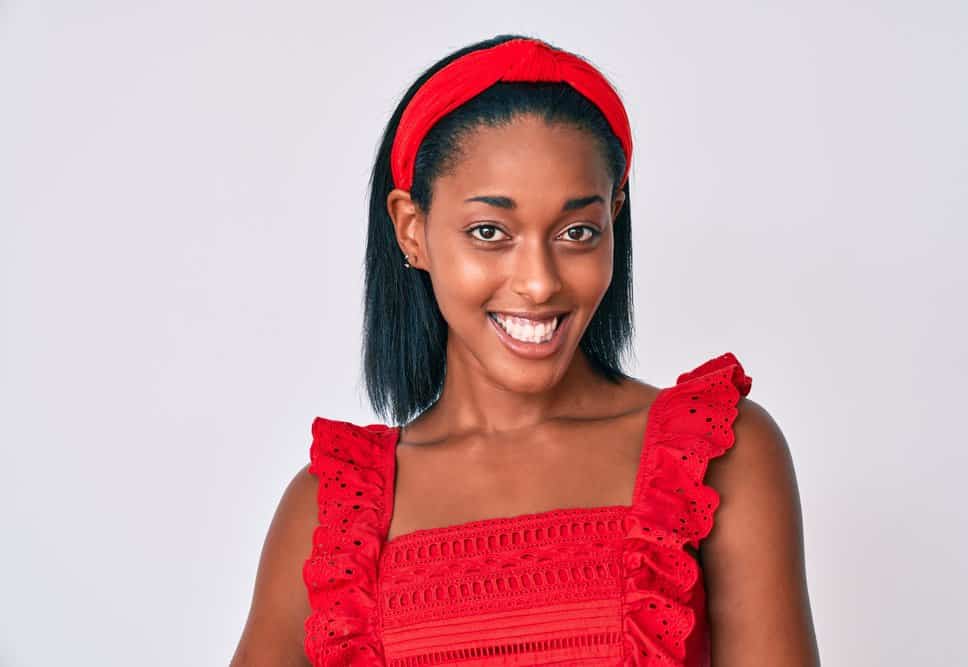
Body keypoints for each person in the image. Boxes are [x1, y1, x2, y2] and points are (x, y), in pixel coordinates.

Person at [231, 34, 819, 666]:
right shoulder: (331, 513)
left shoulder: (715, 455)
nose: (539, 282)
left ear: (614, 218)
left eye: (577, 231)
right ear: (412, 231)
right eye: (490, 232)